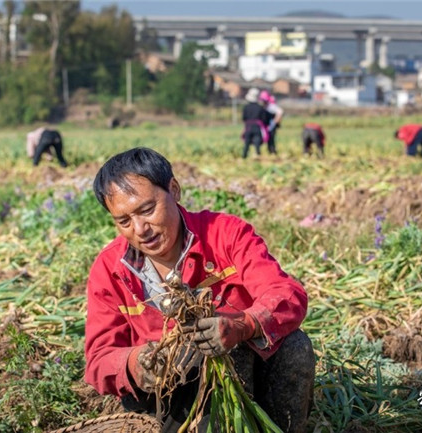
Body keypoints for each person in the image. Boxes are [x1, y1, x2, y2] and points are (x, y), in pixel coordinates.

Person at [84, 147, 315, 433]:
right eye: (124, 221)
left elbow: (286, 293)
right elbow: (98, 360)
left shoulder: (226, 234)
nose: (140, 229)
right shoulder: (110, 269)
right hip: (168, 400)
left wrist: (243, 325)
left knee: (293, 345)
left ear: (174, 190)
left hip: (243, 376)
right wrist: (135, 363)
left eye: (147, 210)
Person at [241, 87, 270, 159]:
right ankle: (257, 155)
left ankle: (244, 156)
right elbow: (264, 119)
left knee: (247, 142)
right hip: (257, 126)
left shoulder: (246, 107)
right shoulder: (260, 108)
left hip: (248, 126)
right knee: (257, 141)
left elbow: (244, 118)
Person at [259, 91, 284, 155]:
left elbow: (280, 112)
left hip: (272, 125)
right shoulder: (264, 106)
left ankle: (272, 151)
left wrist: (275, 121)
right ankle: (269, 151)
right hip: (267, 125)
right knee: (267, 138)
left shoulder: (271, 106)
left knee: (271, 139)